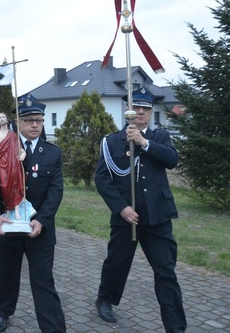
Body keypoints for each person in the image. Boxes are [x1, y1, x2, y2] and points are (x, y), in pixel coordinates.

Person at [94, 88, 186, 333]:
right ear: (128, 112)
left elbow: (172, 160)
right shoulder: (112, 141)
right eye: (137, 108)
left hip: (157, 216)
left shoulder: (160, 137)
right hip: (126, 217)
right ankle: (105, 299)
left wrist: (144, 143)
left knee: (165, 270)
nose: (141, 112)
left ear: (150, 111)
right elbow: (102, 179)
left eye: (145, 108)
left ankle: (175, 325)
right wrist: (121, 207)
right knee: (117, 262)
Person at [0, 94, 66, 333]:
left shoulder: (52, 153)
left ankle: (53, 328)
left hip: (38, 229)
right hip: (6, 226)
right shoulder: (2, 144)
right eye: (28, 120)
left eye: (38, 120)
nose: (35, 125)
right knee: (5, 275)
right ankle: (2, 312)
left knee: (43, 281)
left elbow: (56, 190)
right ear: (18, 122)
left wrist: (42, 220)